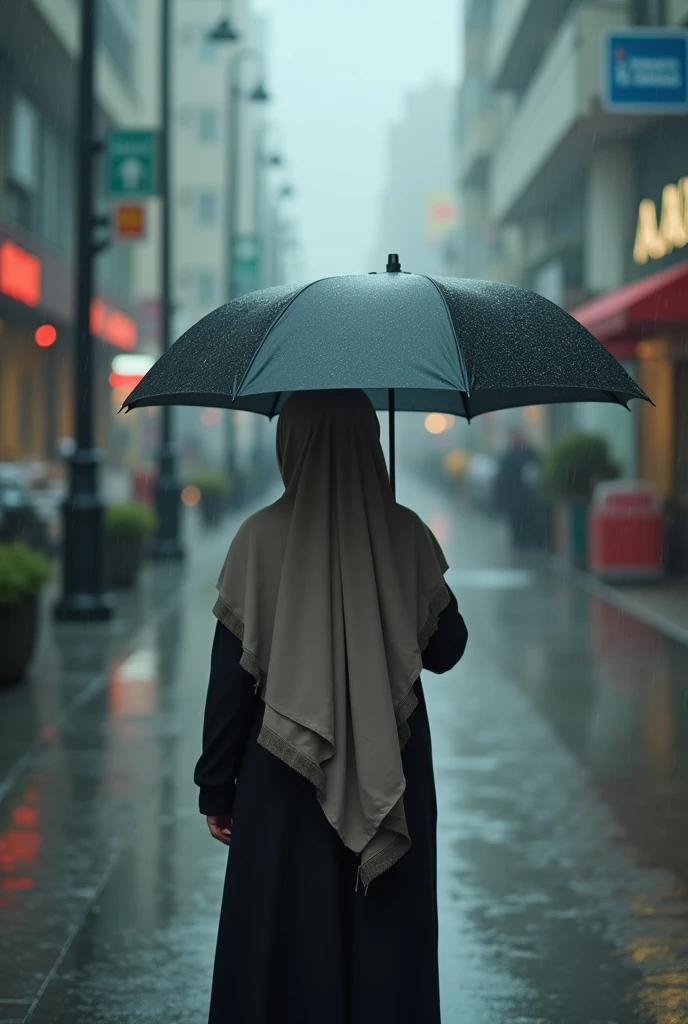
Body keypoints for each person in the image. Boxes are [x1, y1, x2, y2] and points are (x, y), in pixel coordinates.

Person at [194, 389, 468, 1024]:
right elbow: (448, 650)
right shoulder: (405, 532)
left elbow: (229, 683)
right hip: (390, 762)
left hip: (284, 773)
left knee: (288, 940)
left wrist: (217, 789)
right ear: (369, 441)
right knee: (384, 939)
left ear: (292, 445)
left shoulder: (257, 539)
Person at [492, 428, 542, 548]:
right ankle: (517, 541)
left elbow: (536, 470)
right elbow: (501, 478)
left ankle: (525, 541)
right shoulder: (508, 456)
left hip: (527, 496)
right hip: (513, 496)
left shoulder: (529, 454)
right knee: (515, 521)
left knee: (527, 519)